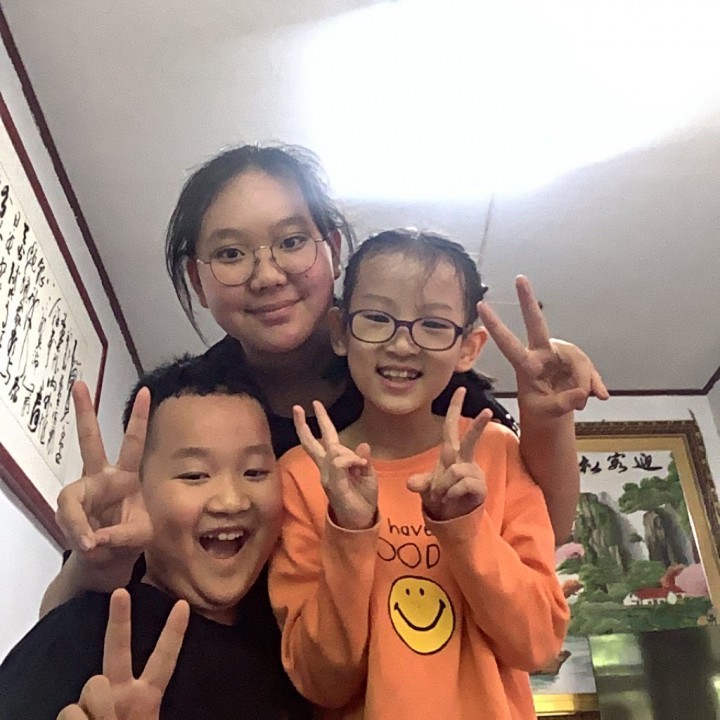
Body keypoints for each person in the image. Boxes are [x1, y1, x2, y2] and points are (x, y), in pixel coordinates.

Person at [41, 143, 607, 616]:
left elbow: (545, 527)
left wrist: (548, 414)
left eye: (291, 242)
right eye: (231, 253)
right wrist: (91, 559)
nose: (268, 275)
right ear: (198, 279)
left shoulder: (412, 374)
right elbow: (69, 612)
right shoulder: (179, 405)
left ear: (332, 249)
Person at [269, 229, 570, 719]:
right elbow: (320, 680)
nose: (402, 344)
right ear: (340, 331)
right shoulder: (306, 473)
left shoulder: (496, 453)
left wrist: (466, 527)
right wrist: (350, 530)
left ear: (468, 348)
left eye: (433, 325)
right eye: (377, 318)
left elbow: (537, 643)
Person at [0, 354, 310, 720]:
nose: (232, 500)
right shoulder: (96, 629)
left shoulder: (293, 645)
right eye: (194, 475)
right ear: (139, 492)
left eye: (255, 471)